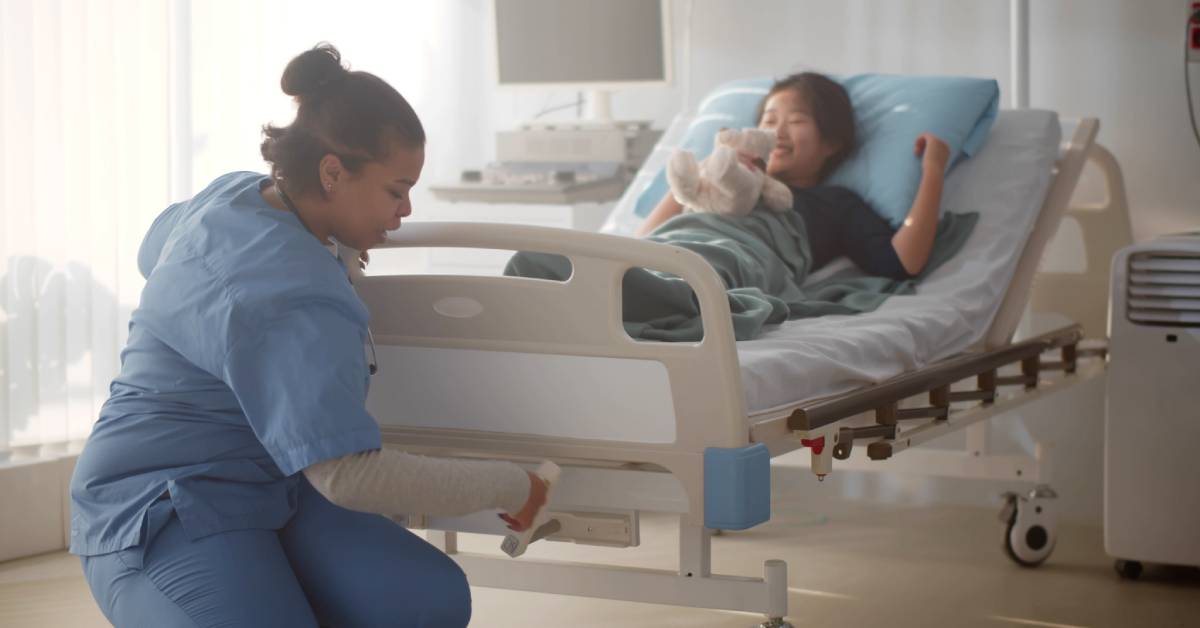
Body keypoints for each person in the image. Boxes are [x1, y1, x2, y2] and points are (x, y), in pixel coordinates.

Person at [69, 43, 546, 628]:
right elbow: (350, 475)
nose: (404, 211)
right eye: (395, 190)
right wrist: (512, 484)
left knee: (426, 601)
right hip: (159, 505)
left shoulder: (235, 193)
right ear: (331, 173)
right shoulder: (293, 299)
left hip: (273, 485)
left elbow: (153, 250)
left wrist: (331, 250)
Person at [636, 72, 950, 280]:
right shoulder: (726, 182)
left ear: (831, 142)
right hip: (665, 257)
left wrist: (933, 169)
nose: (777, 132)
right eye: (769, 120)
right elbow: (645, 242)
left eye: (797, 121)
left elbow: (902, 263)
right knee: (618, 274)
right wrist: (710, 170)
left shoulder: (835, 204)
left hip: (726, 267)